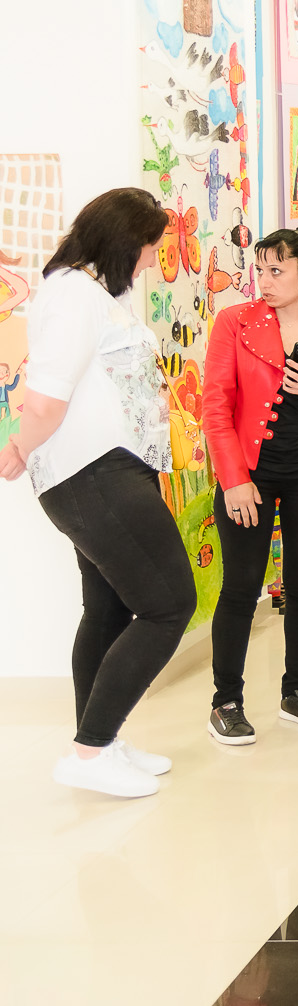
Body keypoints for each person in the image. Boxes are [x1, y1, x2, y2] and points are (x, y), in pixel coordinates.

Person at [2, 188, 188, 797]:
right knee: (168, 605)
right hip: (93, 474)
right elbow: (45, 398)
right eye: (148, 249)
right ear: (122, 242)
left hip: (109, 470)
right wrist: (19, 446)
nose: (151, 261)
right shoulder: (73, 296)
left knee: (108, 609)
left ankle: (99, 739)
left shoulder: (92, 294)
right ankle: (88, 753)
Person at [201, 227, 298, 746]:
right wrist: (233, 480)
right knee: (241, 585)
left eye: (277, 270)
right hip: (249, 472)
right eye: (260, 270)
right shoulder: (234, 322)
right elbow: (215, 407)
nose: (264, 281)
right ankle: (226, 702)